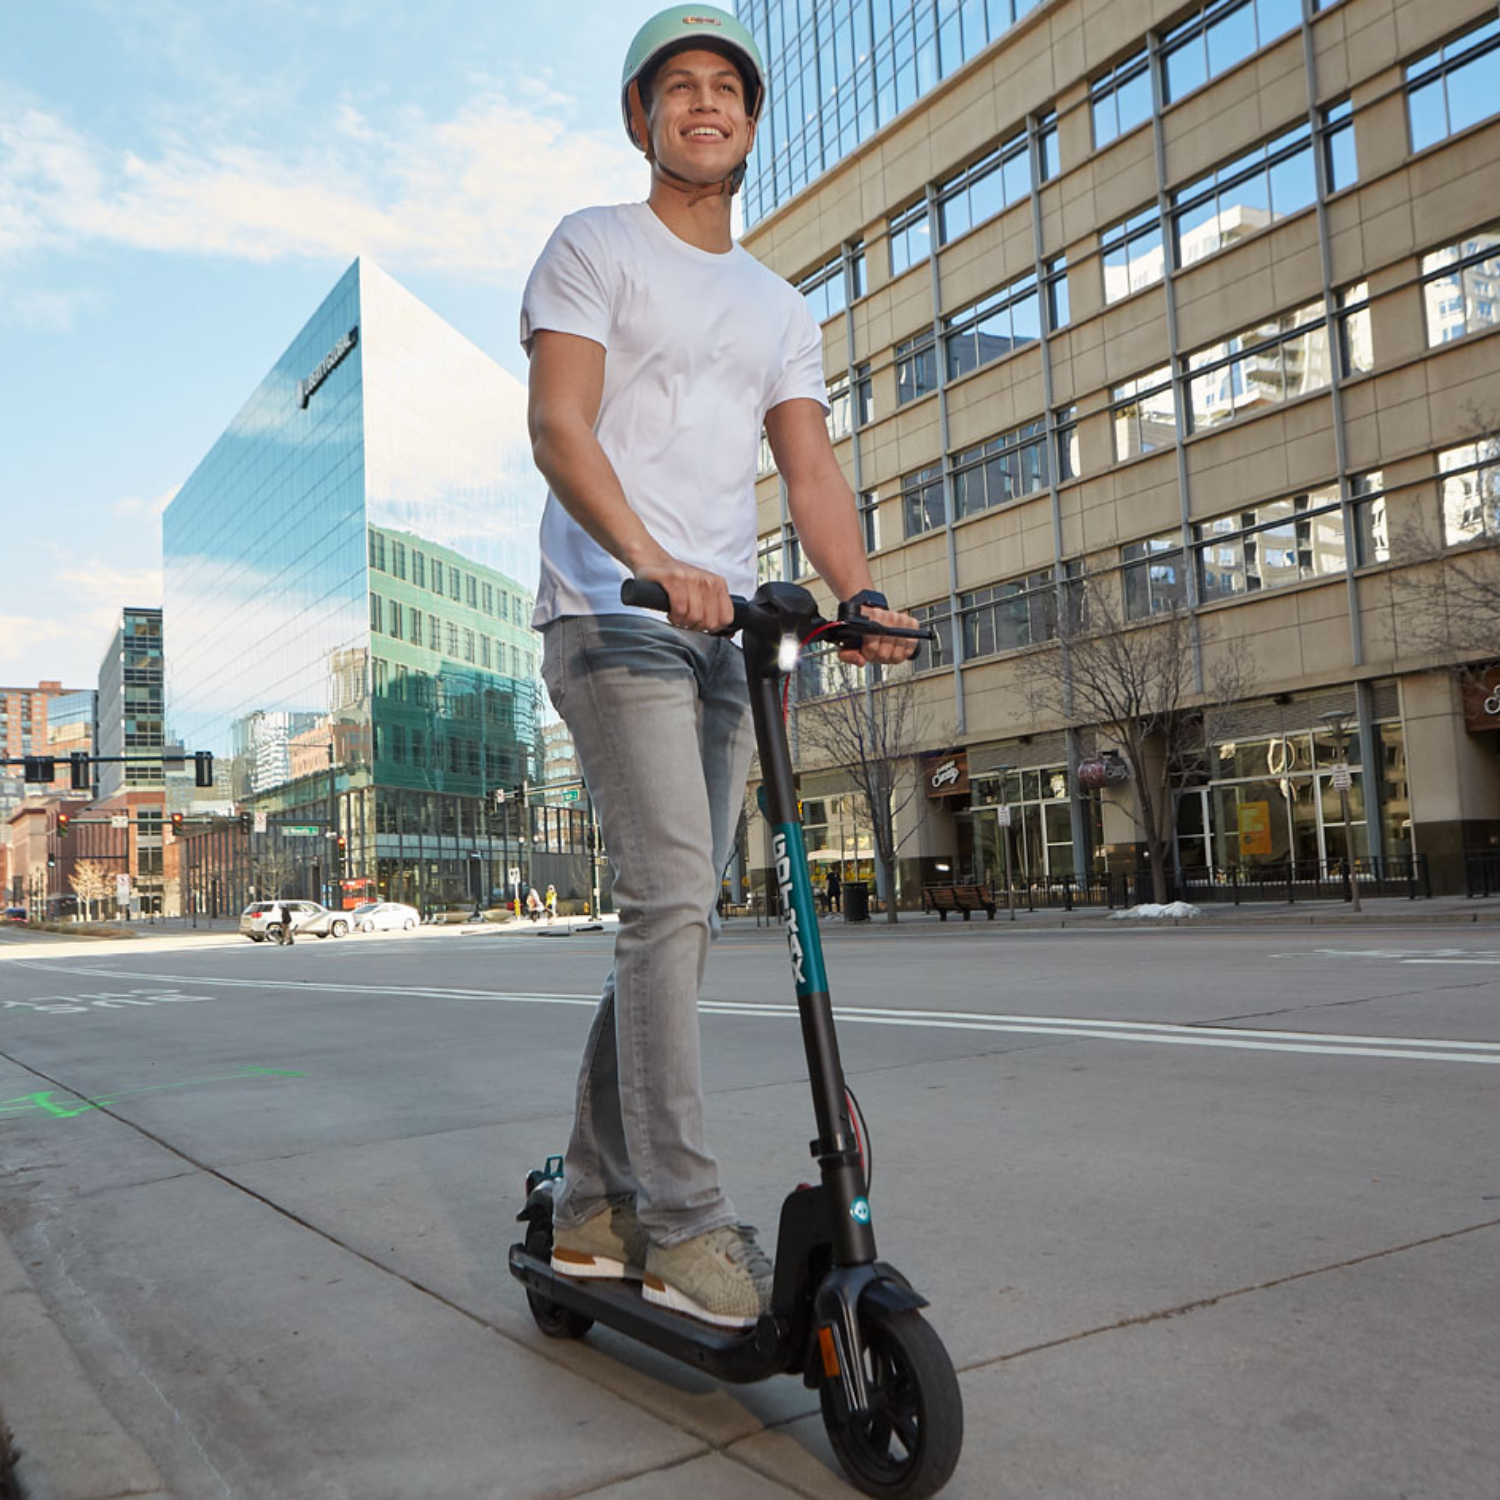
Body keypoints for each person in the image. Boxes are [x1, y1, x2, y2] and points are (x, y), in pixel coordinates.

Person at [522, 3, 917, 1331]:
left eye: (726, 90)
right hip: (614, 612)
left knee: (673, 925)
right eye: (676, 87)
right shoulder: (593, 247)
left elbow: (809, 466)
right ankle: (682, 1229)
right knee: (676, 896)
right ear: (643, 119)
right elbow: (559, 426)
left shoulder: (777, 304)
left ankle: (589, 1204)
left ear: (749, 124)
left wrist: (854, 592)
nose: (704, 104)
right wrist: (651, 556)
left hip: (728, 641)